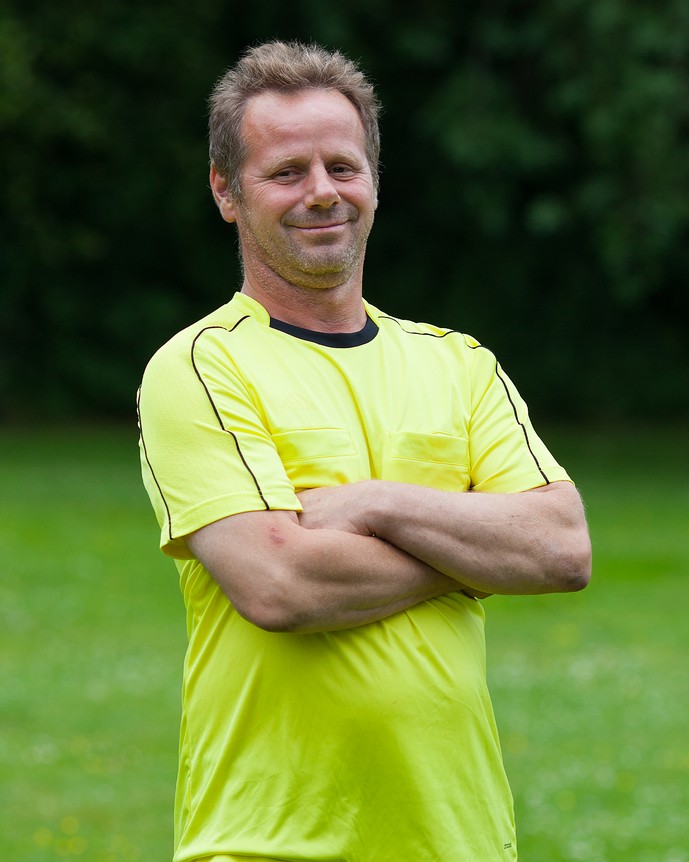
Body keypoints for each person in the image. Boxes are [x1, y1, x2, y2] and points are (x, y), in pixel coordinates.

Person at [137, 40, 591, 862]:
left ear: (373, 181)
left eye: (341, 167)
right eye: (286, 172)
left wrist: (380, 505)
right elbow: (281, 584)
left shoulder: (458, 363)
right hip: (268, 844)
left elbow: (560, 548)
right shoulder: (201, 366)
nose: (321, 192)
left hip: (459, 842)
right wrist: (475, 554)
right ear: (225, 191)